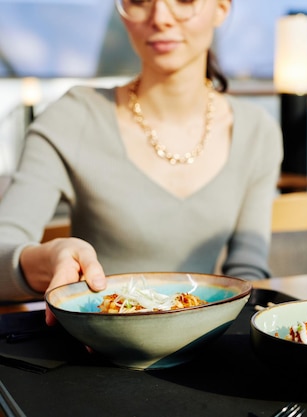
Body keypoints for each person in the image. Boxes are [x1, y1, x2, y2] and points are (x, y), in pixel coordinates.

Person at [0, 0, 283, 322]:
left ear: (221, 8)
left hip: (203, 348)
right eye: (138, 0)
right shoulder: (74, 118)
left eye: (184, 1)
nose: (160, 18)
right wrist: (47, 259)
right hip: (94, 353)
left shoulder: (257, 132)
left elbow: (247, 274)